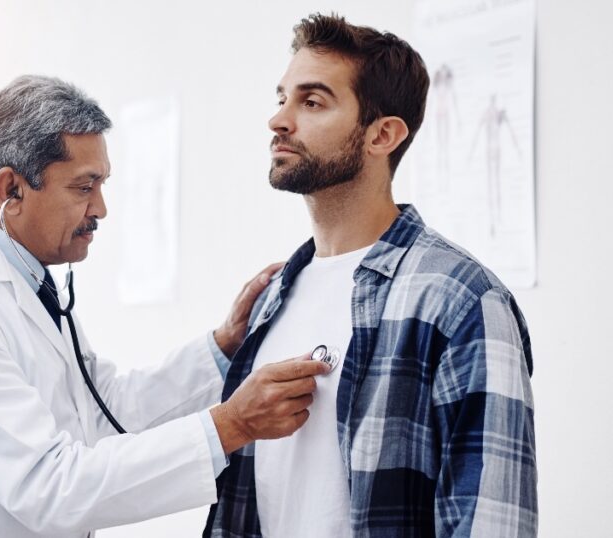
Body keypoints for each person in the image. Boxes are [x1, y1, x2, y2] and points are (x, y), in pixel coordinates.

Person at [0, 75, 329, 537]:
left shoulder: (28, 282)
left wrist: (222, 349)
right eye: (84, 187)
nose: (101, 209)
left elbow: (106, 412)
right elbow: (49, 487)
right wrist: (231, 425)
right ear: (11, 191)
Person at [203, 14, 537, 537]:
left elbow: (493, 520)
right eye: (282, 98)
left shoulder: (461, 300)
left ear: (383, 134)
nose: (279, 121)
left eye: (311, 102)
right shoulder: (272, 299)